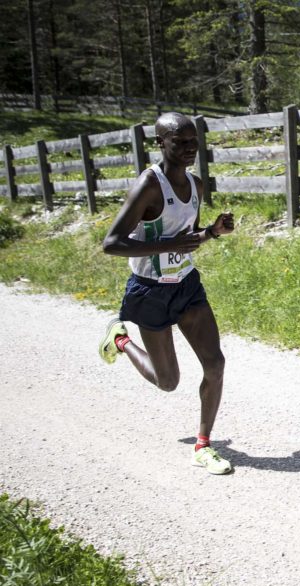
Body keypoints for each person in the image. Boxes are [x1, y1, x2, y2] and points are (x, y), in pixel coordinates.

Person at [99, 112, 235, 475]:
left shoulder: (196, 185)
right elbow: (111, 243)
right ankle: (121, 340)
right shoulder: (149, 184)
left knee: (216, 364)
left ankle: (203, 446)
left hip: (186, 286)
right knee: (168, 382)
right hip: (150, 292)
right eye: (181, 142)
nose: (190, 149)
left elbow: (184, 243)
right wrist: (165, 246)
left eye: (194, 142)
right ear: (161, 142)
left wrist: (211, 233)